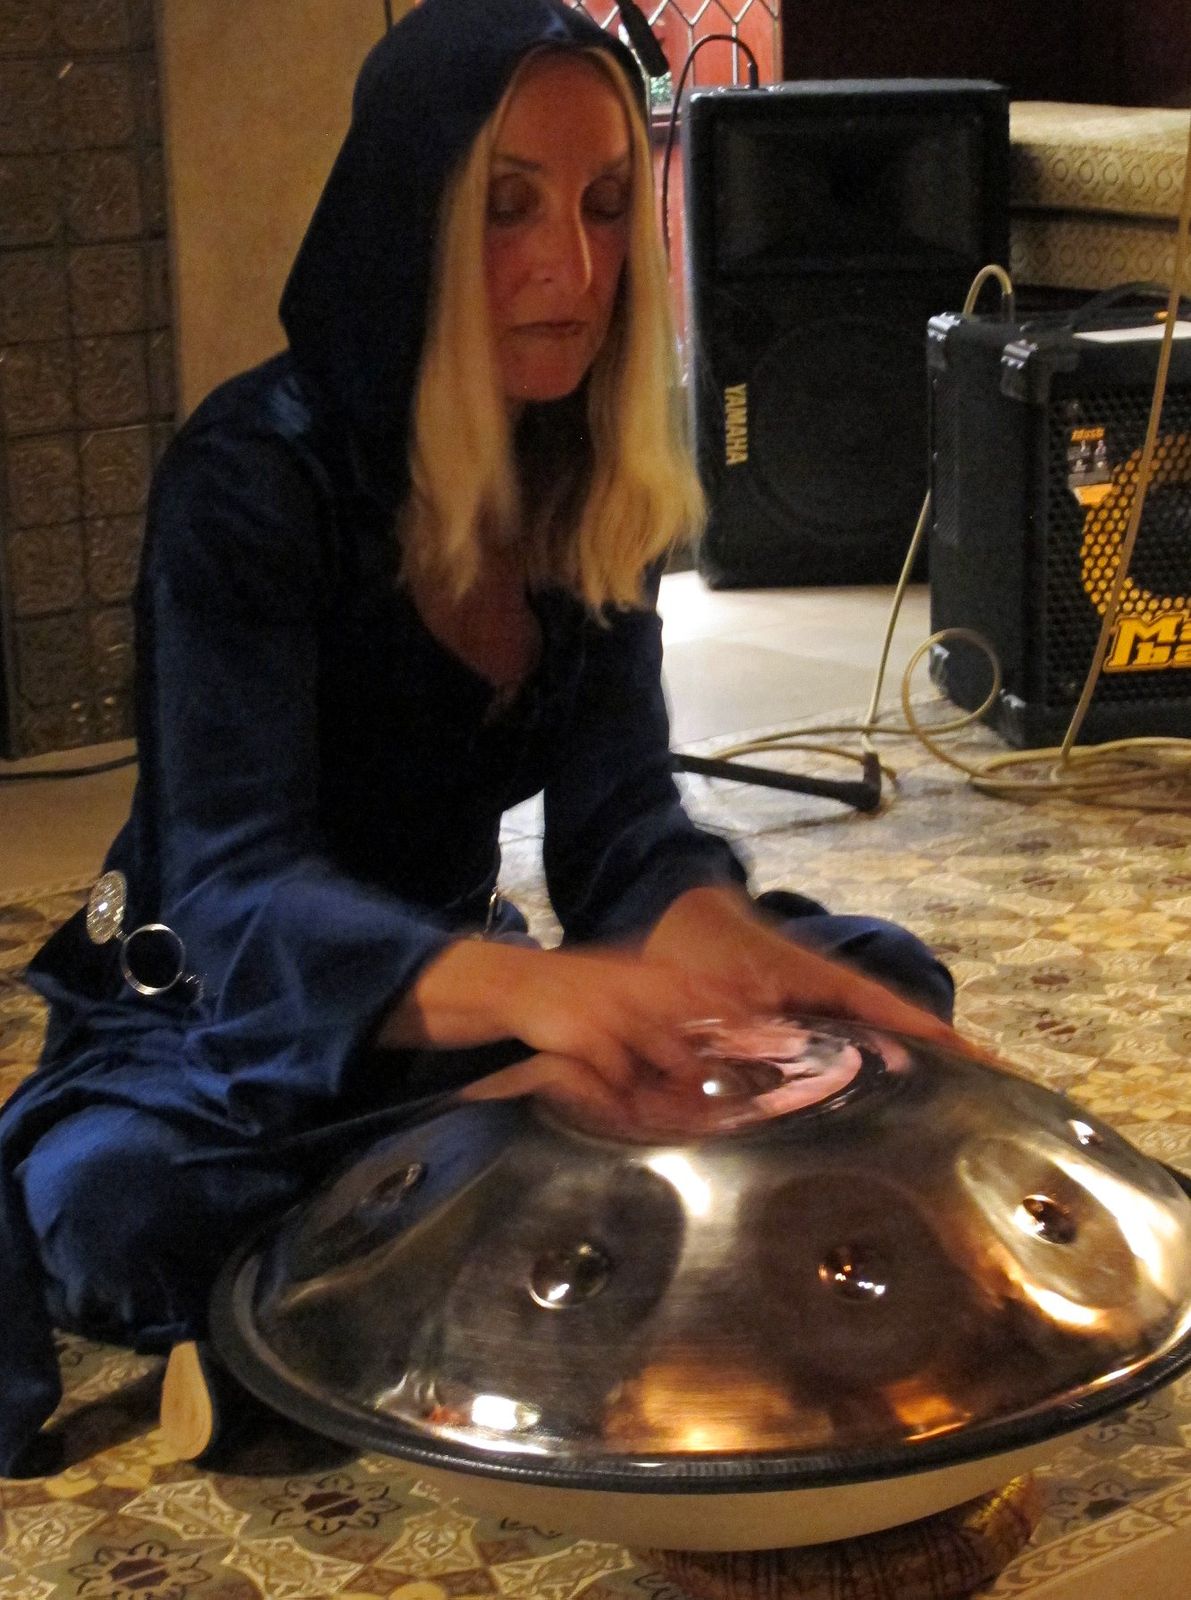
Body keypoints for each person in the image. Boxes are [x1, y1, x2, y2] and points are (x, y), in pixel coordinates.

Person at [0, 0, 958, 1478]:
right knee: (119, 1209)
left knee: (877, 990)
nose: (572, 266)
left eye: (603, 205)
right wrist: (542, 995)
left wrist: (713, 938)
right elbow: (239, 887)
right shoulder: (252, 480)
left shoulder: (592, 471)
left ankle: (399, 1259)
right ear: (414, 222)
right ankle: (503, 1188)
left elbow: (622, 829)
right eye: (508, 208)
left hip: (468, 1010)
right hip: (226, 1009)